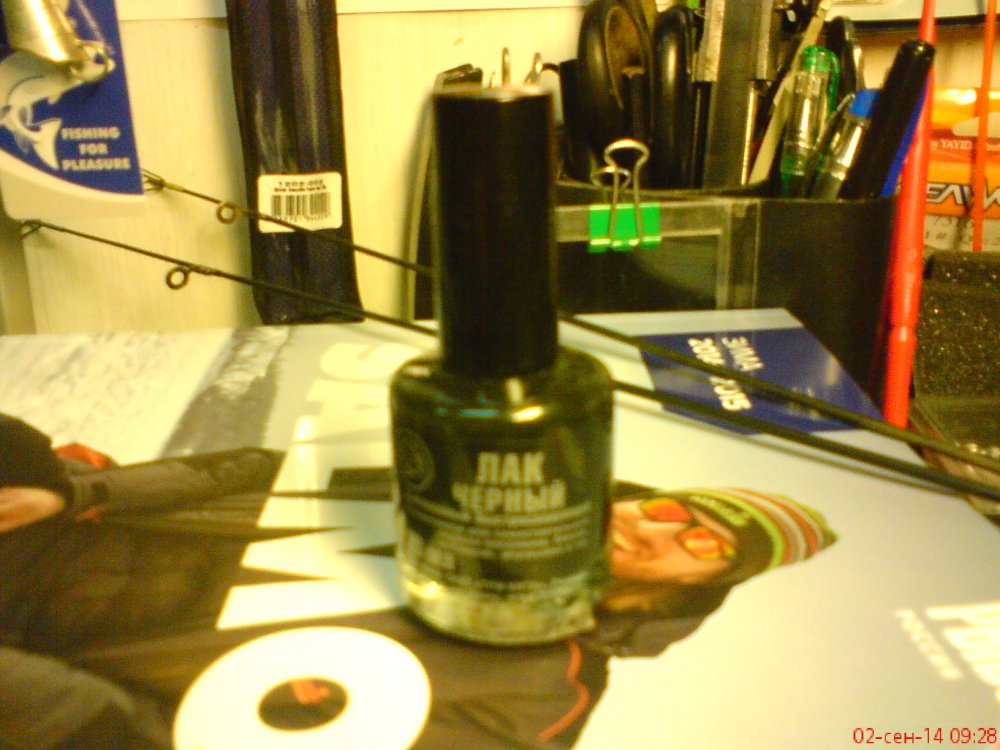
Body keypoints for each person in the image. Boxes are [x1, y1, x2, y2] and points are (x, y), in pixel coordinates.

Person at [0, 414, 838, 749]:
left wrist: (54, 702)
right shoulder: (454, 489)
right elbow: (254, 466)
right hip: (44, 548)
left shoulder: (546, 696)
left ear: (695, 590)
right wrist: (78, 492)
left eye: (700, 541)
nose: (656, 528)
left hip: (67, 692)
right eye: (669, 508)